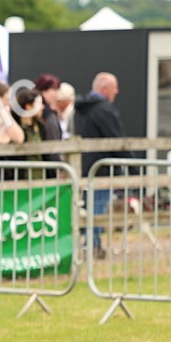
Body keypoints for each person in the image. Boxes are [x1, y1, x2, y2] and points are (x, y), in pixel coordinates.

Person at [75, 72, 136, 257]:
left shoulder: (79, 110)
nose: (116, 92)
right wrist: (132, 166)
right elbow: (116, 140)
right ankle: (93, 246)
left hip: (83, 166)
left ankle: (90, 243)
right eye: (114, 88)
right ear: (105, 89)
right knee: (98, 208)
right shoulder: (104, 110)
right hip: (101, 168)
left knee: (88, 207)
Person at [33, 74, 64, 158]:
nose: (56, 94)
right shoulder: (48, 114)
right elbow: (52, 141)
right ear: (44, 90)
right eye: (54, 89)